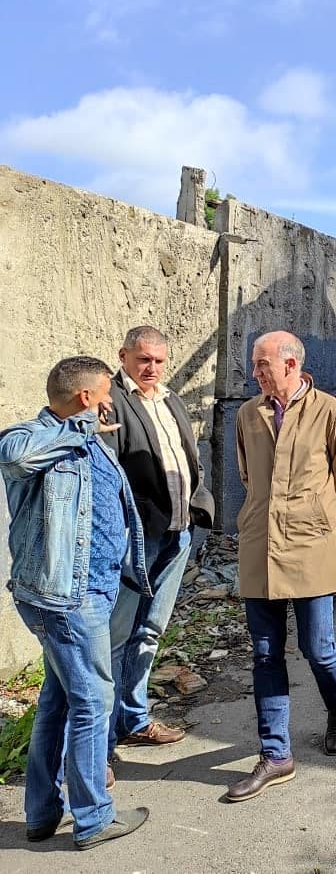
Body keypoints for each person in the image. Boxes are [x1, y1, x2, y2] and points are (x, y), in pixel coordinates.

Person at [0, 357, 150, 848]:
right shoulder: (33, 437)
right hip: (66, 596)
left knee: (57, 699)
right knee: (92, 701)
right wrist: (80, 428)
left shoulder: (89, 441)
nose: (111, 402)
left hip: (92, 591)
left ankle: (43, 812)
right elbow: (14, 456)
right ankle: (93, 818)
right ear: (86, 397)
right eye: (105, 393)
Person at [226, 330, 336, 803]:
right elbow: (247, 475)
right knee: (265, 652)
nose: (256, 372)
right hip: (260, 544)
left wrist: (313, 518)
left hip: (309, 545)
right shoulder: (248, 414)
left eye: (263, 364)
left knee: (318, 646)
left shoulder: (332, 412)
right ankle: (276, 754)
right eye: (254, 364)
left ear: (291, 364)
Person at [100, 326, 215, 753]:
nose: (152, 368)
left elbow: (188, 456)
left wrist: (198, 503)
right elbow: (108, 472)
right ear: (124, 356)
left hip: (177, 533)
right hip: (136, 537)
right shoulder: (111, 401)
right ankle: (103, 737)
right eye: (144, 359)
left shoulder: (169, 398)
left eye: (159, 360)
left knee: (149, 629)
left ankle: (134, 719)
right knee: (117, 634)